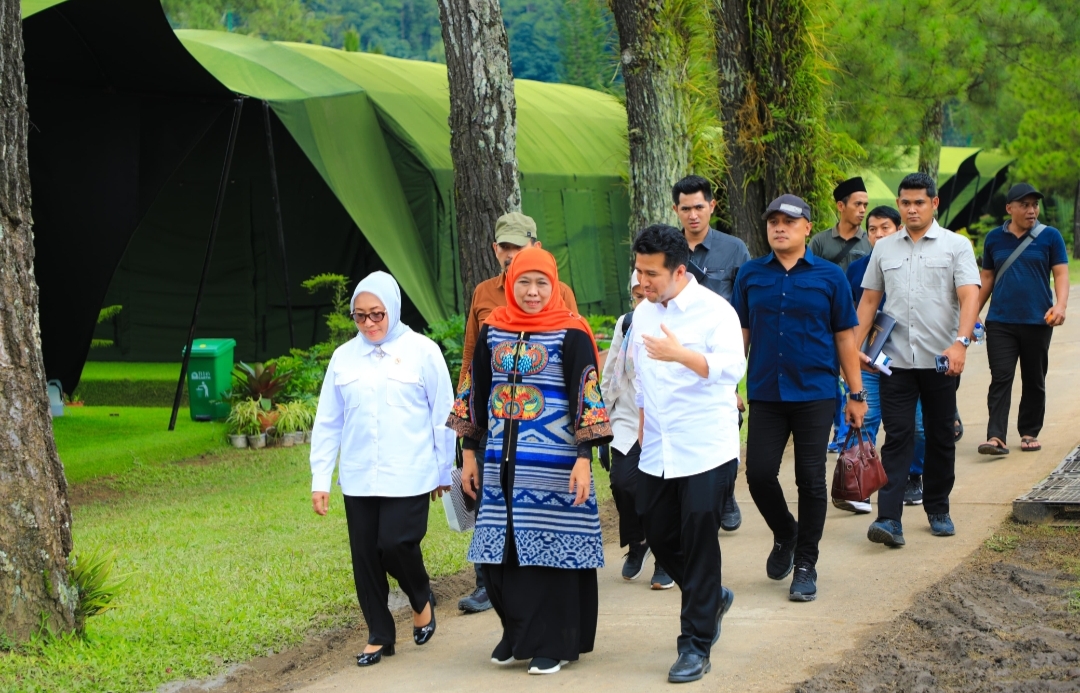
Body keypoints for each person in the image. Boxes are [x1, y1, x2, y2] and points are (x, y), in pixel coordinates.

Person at [448, 247, 612, 676]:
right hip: (500, 464)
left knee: (549, 556)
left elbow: (587, 398)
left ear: (554, 285)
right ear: (510, 283)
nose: (533, 292)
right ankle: (516, 635)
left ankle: (552, 644)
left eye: (542, 283)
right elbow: (475, 395)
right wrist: (468, 454)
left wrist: (583, 459)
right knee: (501, 557)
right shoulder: (493, 331)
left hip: (555, 466)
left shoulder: (571, 333)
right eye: (524, 282)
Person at [310, 271, 454, 667]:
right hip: (359, 476)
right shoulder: (344, 358)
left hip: (410, 472)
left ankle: (420, 595)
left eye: (377, 314)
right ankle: (379, 633)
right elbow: (328, 422)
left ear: (392, 308)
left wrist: (445, 471)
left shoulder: (423, 351)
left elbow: (443, 414)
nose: (370, 324)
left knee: (395, 544)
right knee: (365, 557)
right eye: (360, 317)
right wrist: (320, 480)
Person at [731, 194, 867, 603]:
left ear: (808, 227)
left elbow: (845, 337)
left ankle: (806, 562)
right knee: (757, 474)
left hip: (815, 393)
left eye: (789, 221)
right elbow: (741, 335)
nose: (779, 227)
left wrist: (856, 394)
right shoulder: (751, 275)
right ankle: (786, 532)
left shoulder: (829, 277)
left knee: (810, 480)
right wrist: (729, 389)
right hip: (767, 393)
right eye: (773, 220)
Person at [630, 224, 746, 683]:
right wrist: (640, 434)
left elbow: (730, 370)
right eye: (639, 271)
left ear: (679, 270)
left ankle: (695, 645)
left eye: (651, 273)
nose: (642, 282)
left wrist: (681, 355)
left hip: (705, 448)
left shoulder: (714, 311)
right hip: (657, 447)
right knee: (659, 535)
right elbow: (641, 381)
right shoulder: (642, 313)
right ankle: (712, 597)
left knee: (698, 541)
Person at [457, 211, 578, 614]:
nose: (511, 255)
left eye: (518, 247)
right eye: (504, 247)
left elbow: (576, 358)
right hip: (494, 416)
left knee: (532, 501)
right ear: (495, 250)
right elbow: (472, 360)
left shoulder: (555, 289)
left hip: (544, 425)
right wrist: (466, 434)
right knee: (489, 496)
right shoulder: (483, 294)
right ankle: (486, 581)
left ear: (535, 248)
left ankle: (541, 579)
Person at [857, 173, 980, 546]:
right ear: (899, 204)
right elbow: (868, 301)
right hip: (895, 361)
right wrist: (855, 348)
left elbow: (970, 296)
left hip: (941, 360)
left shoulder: (956, 246)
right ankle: (889, 519)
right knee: (897, 436)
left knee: (941, 435)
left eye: (919, 203)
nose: (912, 209)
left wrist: (960, 343)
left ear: (934, 204)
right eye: (905, 203)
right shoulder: (884, 249)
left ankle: (938, 507)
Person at [671, 175, 752, 532]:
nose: (692, 215)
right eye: (685, 208)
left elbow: (746, 309)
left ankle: (725, 493)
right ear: (676, 210)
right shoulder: (667, 247)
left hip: (720, 356)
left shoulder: (734, 250)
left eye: (698, 207)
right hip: (674, 354)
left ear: (712, 206)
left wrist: (735, 382)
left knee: (726, 424)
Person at [838, 206, 928, 513]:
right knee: (866, 418)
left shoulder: (913, 263)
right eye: (872, 229)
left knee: (914, 425)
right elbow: (850, 314)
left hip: (907, 359)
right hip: (869, 359)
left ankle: (914, 476)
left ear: (899, 228)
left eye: (885, 228)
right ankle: (858, 482)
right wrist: (851, 354)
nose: (877, 234)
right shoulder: (856, 268)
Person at [976, 183, 1069, 456]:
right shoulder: (994, 238)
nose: (1032, 210)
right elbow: (987, 279)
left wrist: (1060, 305)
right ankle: (996, 437)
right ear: (1010, 208)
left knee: (1034, 378)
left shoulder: (1050, 236)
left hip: (1038, 320)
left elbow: (1061, 274)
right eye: (1025, 205)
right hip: (1000, 321)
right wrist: (971, 316)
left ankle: (1029, 431)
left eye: (1034, 205)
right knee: (1001, 377)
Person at [601, 275, 673, 589]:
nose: (642, 300)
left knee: (664, 491)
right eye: (636, 294)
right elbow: (611, 373)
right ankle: (638, 541)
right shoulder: (626, 324)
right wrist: (600, 424)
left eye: (648, 292)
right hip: (629, 419)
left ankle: (666, 557)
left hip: (668, 421)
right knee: (622, 483)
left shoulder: (674, 324)